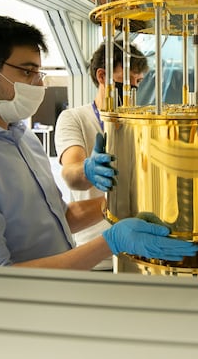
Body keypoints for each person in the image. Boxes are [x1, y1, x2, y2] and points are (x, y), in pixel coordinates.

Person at [0, 15, 197, 268]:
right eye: (28, 71)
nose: (39, 84)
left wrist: (130, 202)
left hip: (55, 295)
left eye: (37, 72)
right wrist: (112, 241)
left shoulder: (20, 138)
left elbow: (58, 218)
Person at [53, 41, 148, 270]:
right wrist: (88, 170)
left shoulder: (144, 122)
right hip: (97, 257)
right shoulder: (74, 118)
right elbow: (71, 173)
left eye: (139, 81)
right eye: (128, 79)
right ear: (103, 76)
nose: (134, 87)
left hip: (142, 250)